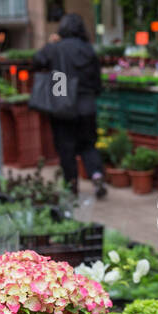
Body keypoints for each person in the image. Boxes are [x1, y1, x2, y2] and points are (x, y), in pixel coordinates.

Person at [32, 12, 106, 197]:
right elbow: (97, 80)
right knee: (89, 144)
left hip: (63, 104)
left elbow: (37, 61)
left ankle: (72, 186)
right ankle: (96, 175)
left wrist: (50, 43)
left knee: (66, 147)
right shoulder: (89, 49)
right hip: (87, 105)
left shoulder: (56, 48)